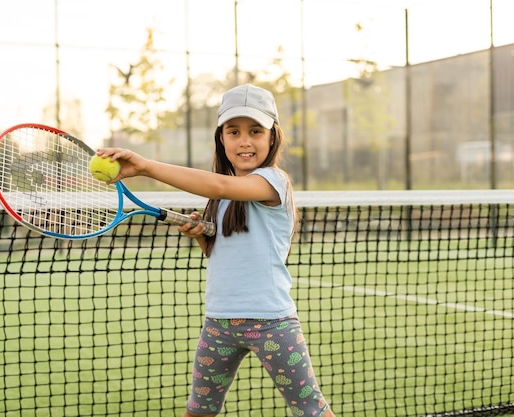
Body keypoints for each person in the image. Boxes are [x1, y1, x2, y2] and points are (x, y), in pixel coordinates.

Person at [96, 84, 336, 417]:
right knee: (199, 410)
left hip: (271, 323)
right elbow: (221, 252)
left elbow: (222, 184)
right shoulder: (220, 199)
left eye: (255, 131)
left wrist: (147, 167)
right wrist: (200, 234)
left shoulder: (273, 181)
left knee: (311, 410)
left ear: (272, 137)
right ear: (221, 138)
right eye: (233, 131)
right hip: (219, 324)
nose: (245, 141)